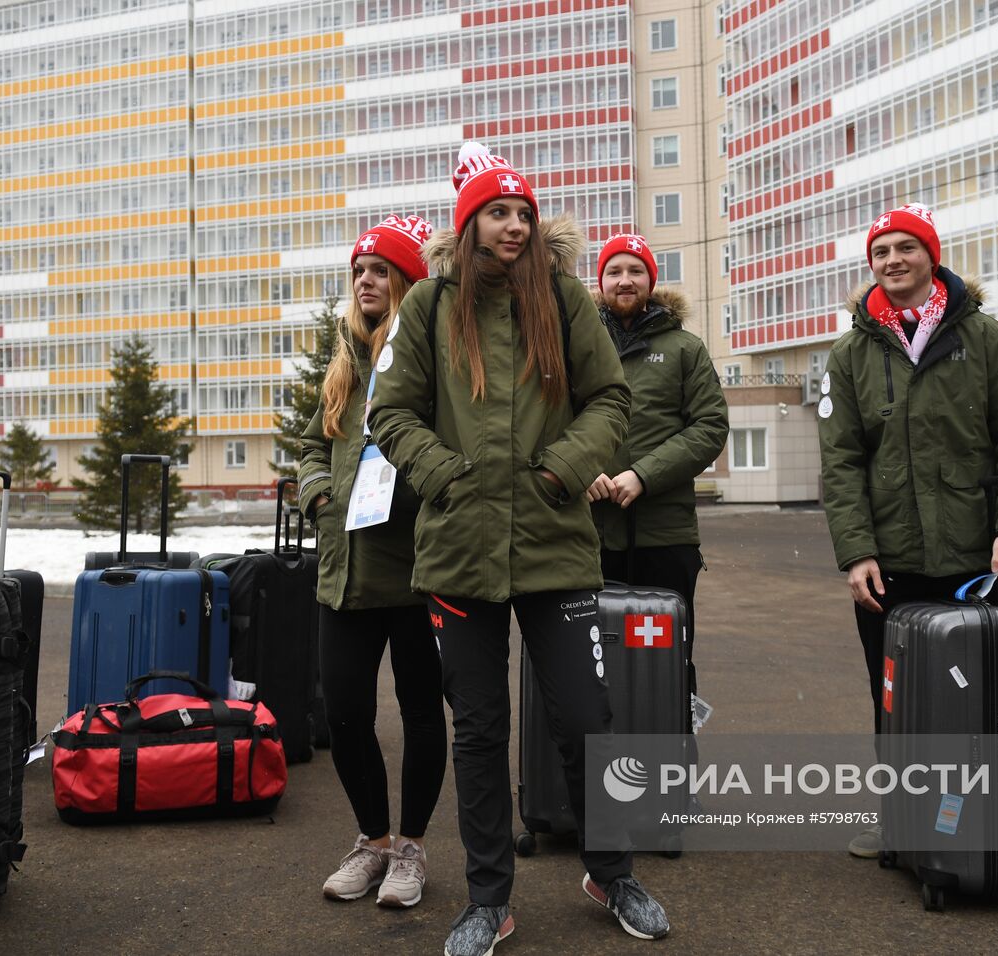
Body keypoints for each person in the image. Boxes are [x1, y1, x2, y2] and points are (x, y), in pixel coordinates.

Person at [368, 143, 670, 956]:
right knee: (478, 729)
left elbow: (610, 399)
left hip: (553, 541)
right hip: (460, 551)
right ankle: (488, 899)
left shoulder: (563, 300)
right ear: (468, 224)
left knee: (586, 717)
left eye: (524, 214)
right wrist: (442, 474)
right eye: (497, 213)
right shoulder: (429, 307)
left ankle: (612, 872)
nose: (513, 225)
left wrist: (564, 469)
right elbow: (389, 412)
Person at [817, 202, 998, 858]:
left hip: (980, 559)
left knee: (989, 701)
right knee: (898, 701)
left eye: (905, 247)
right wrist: (856, 552)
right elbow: (842, 461)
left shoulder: (985, 338)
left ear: (931, 255)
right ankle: (904, 826)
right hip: (891, 562)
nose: (892, 260)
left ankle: (995, 830)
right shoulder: (851, 352)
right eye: (880, 251)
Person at [298, 214, 447, 908]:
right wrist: (319, 495)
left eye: (380, 270)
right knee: (347, 714)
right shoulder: (345, 366)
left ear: (408, 282)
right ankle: (373, 841)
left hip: (416, 571)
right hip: (345, 572)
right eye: (359, 270)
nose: (365, 280)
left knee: (421, 714)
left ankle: (410, 849)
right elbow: (311, 445)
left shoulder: (429, 360)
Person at [588, 233, 729, 724]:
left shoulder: (684, 349)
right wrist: (582, 471)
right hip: (589, 537)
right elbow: (549, 422)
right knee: (594, 664)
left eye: (636, 271)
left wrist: (642, 476)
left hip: (665, 539)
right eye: (614, 271)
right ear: (601, 282)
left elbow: (710, 427)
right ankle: (600, 764)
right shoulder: (578, 345)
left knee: (667, 660)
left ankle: (673, 759)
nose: (625, 280)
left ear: (651, 280)